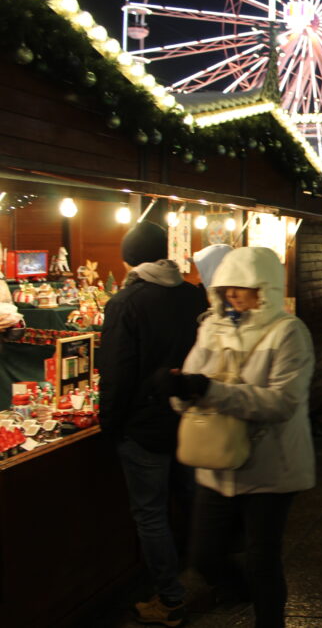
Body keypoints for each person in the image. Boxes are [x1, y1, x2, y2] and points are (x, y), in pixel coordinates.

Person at [158, 246, 314, 628]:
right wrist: (181, 392)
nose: (233, 294)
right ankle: (242, 591)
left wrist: (208, 391)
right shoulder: (211, 326)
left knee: (263, 558)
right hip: (217, 464)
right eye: (227, 287)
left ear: (266, 288)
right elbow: (197, 386)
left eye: (242, 287)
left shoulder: (288, 333)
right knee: (204, 556)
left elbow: (281, 403)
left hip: (271, 467)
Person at [98, 221, 207, 627]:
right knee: (192, 499)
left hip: (143, 428)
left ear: (129, 257)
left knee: (151, 514)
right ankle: (210, 574)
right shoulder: (191, 294)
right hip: (188, 417)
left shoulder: (127, 302)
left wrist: (111, 425)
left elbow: (117, 372)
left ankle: (170, 599)